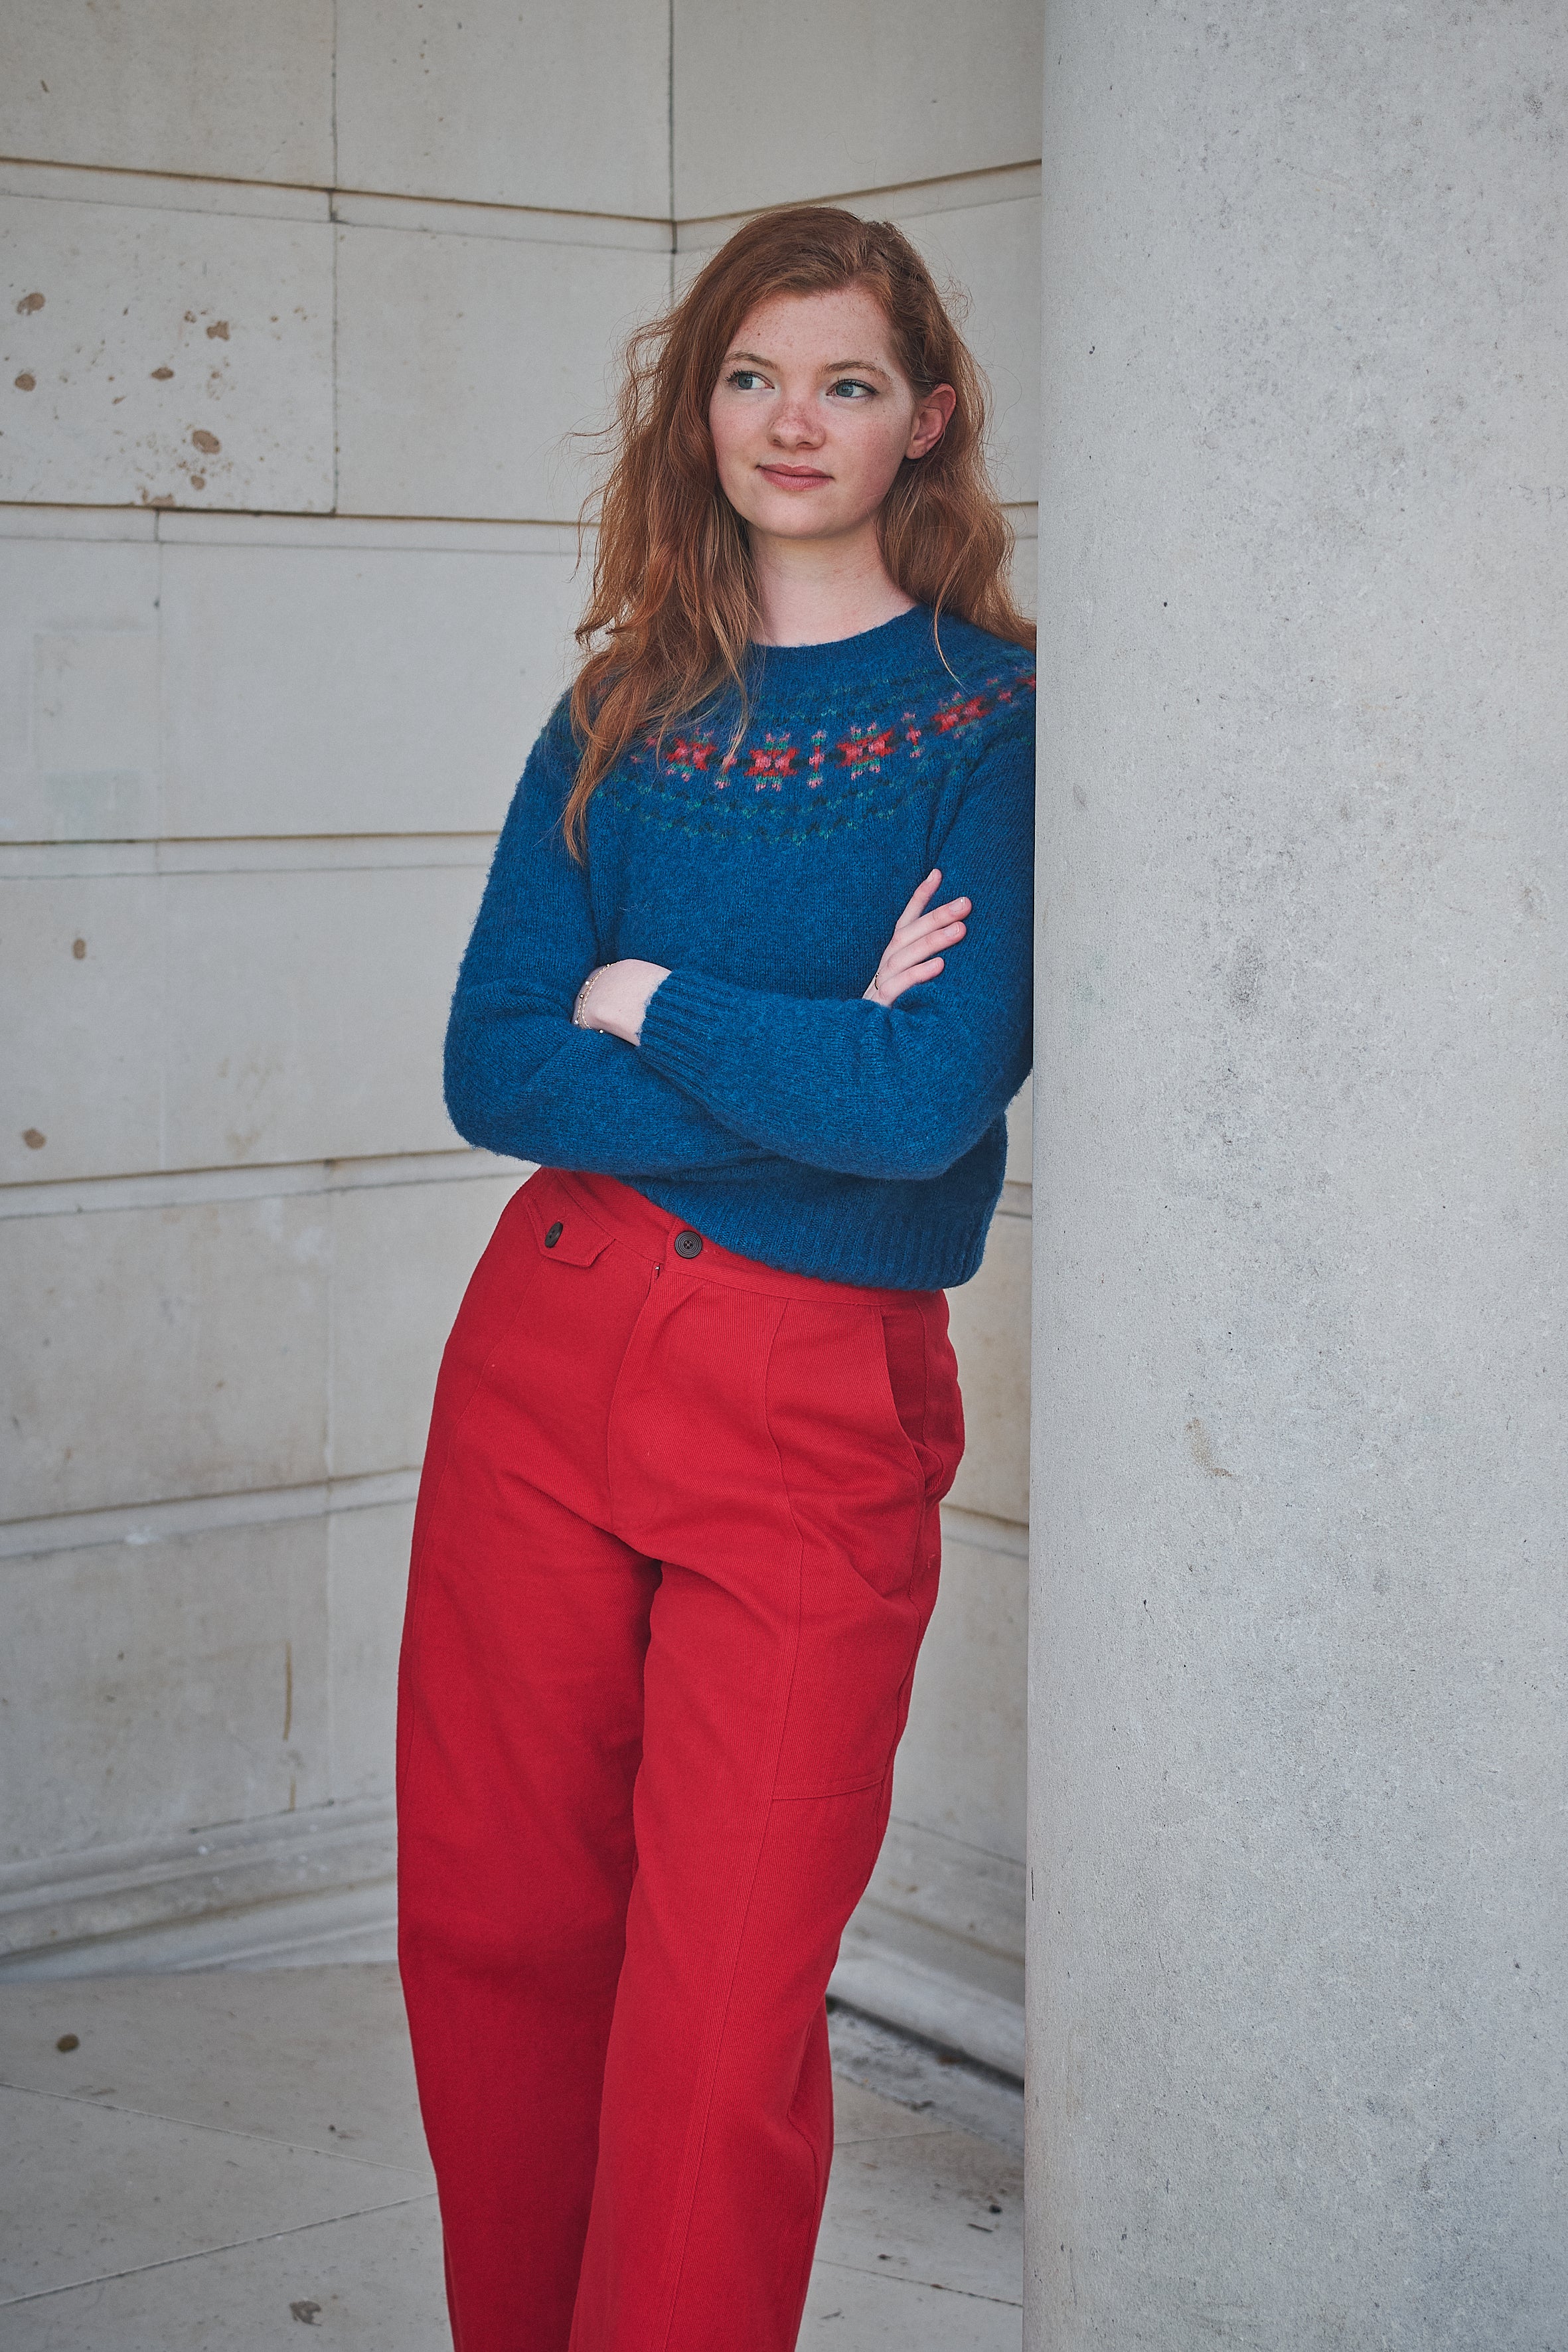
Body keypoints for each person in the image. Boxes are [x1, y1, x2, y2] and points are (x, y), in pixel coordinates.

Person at [396, 202, 1036, 2352]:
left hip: (811, 1381)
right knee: (497, 1931)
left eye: (846, 381)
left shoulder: (997, 724)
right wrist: (800, 1045)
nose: (792, 420)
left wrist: (646, 995)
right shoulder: (617, 709)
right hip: (544, 1337)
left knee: (722, 1994)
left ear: (921, 419)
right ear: (698, 414)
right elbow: (496, 1066)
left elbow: (918, 1107)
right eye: (752, 376)